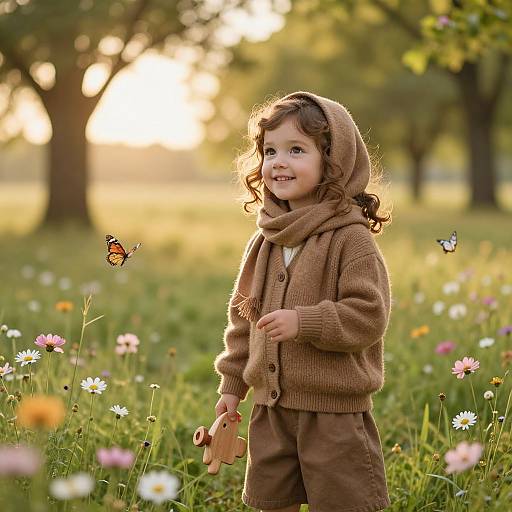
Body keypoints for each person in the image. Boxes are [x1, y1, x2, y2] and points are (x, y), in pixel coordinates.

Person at [214, 91, 392, 512]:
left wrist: (305, 322)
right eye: (270, 150)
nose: (279, 161)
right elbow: (242, 322)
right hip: (270, 412)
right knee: (270, 503)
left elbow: (369, 315)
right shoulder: (266, 239)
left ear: (333, 161)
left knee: (344, 503)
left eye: (297, 149)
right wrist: (232, 386)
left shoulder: (351, 239)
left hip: (333, 417)